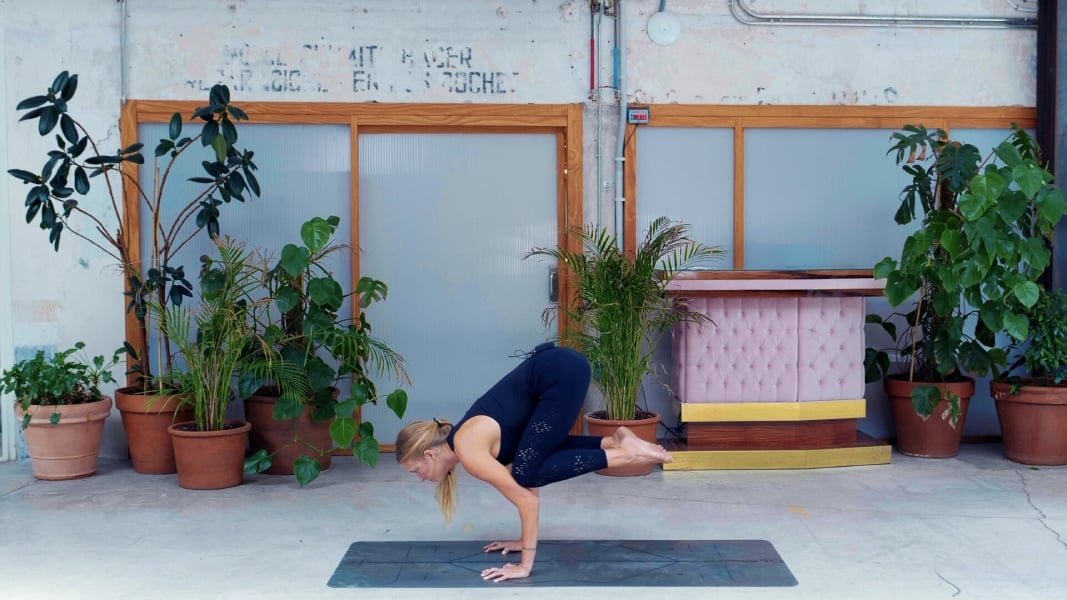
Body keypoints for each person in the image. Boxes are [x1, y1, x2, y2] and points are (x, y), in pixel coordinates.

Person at [395, 342, 674, 583]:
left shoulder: (469, 451)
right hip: (562, 368)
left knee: (526, 472)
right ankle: (616, 441)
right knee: (527, 468)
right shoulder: (466, 440)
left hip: (559, 372)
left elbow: (527, 499)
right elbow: (530, 478)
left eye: (415, 470)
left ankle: (624, 454)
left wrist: (524, 565)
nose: (420, 478)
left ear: (430, 455)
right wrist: (522, 541)